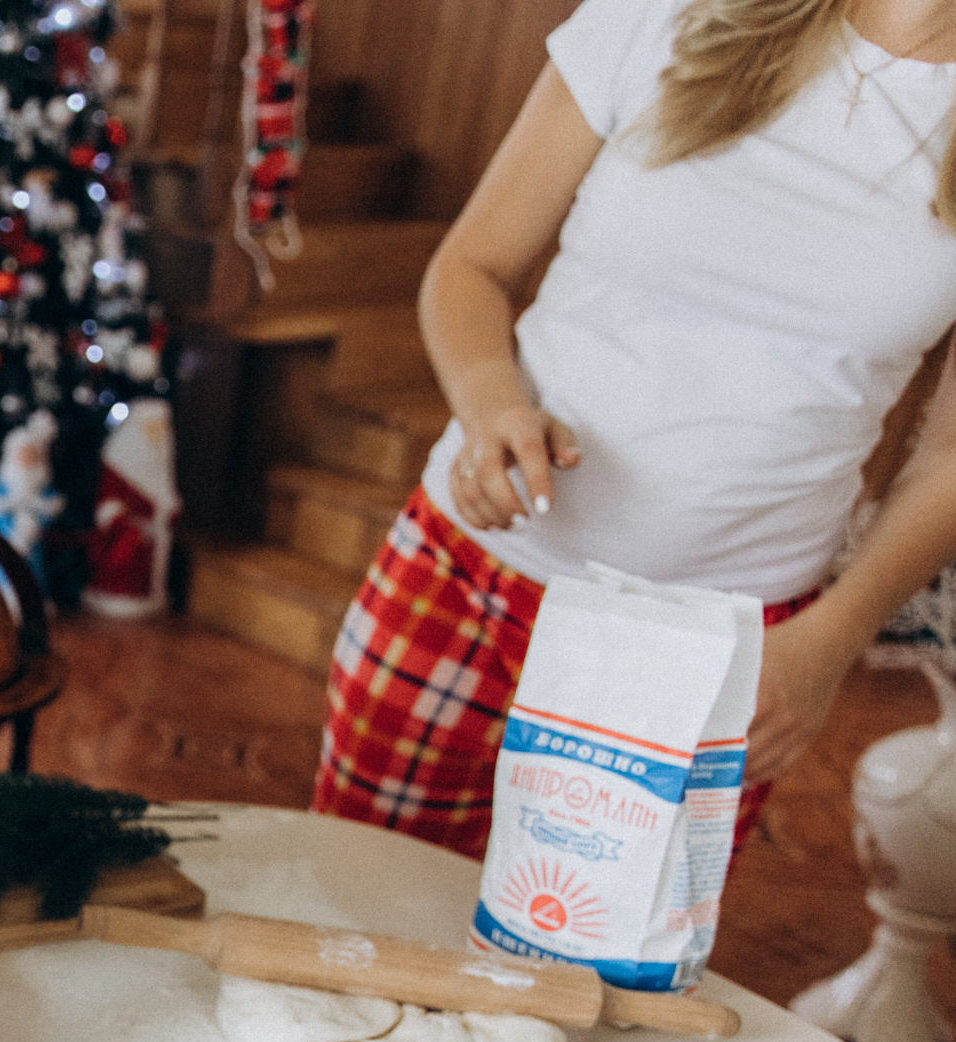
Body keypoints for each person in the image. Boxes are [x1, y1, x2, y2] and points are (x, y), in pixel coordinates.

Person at [312, 0, 956, 857]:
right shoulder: (667, 11)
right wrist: (491, 405)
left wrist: (830, 641)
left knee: (595, 985)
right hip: (466, 583)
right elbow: (473, 267)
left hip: (729, 651)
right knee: (348, 930)